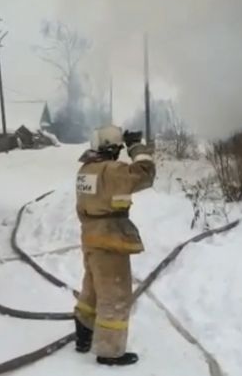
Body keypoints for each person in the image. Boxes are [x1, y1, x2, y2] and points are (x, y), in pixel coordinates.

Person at [73, 124, 156, 366]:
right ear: (112, 148)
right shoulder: (111, 171)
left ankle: (83, 332)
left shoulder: (86, 169)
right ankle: (110, 351)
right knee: (115, 294)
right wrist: (136, 147)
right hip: (110, 239)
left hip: (90, 236)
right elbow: (145, 174)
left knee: (92, 288)